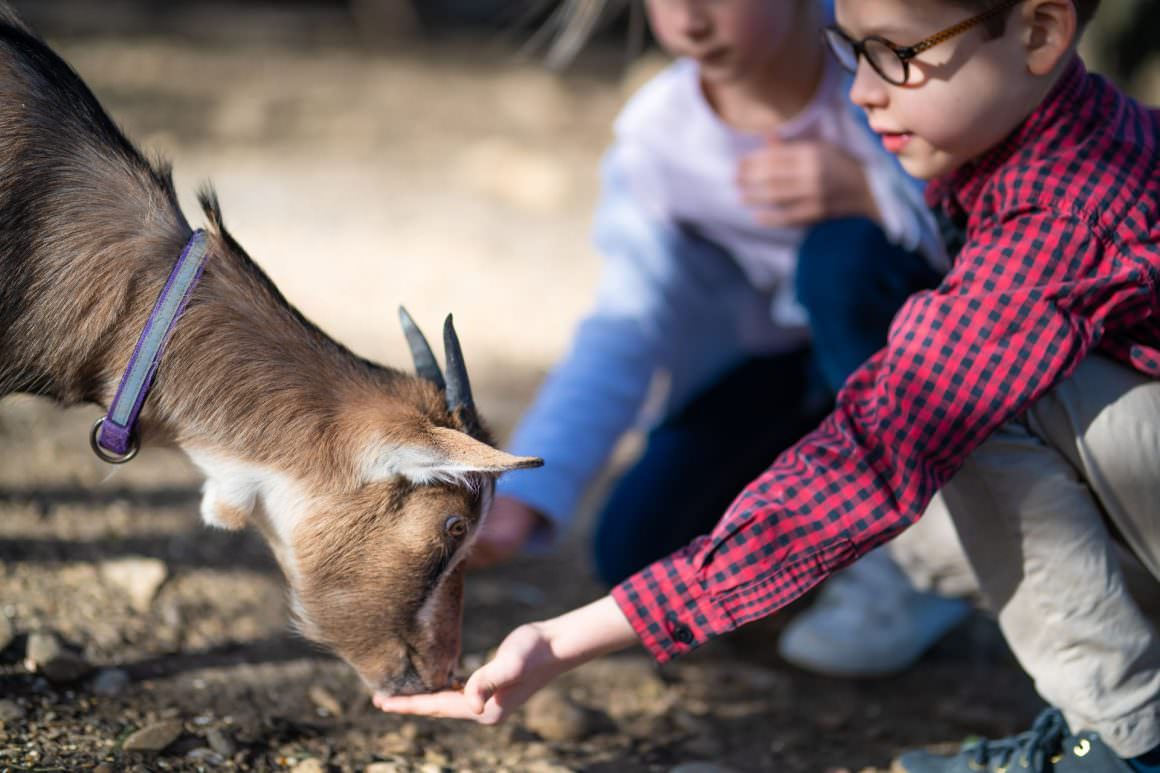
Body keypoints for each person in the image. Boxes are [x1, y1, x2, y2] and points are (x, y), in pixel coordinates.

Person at [380, 0, 1160, 769]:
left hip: (894, 368)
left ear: (1040, 31)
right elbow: (626, 322)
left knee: (968, 384)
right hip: (794, 389)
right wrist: (530, 494)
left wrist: (561, 639)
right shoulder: (678, 131)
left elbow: (904, 418)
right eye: (854, 50)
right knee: (639, 536)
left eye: (894, 53)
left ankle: (1127, 740)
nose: (864, 87)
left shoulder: (1046, 196)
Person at [469, 0, 971, 678]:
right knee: (635, 549)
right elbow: (627, 321)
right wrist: (531, 490)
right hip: (778, 381)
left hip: (920, 367)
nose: (689, 19)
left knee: (841, 260)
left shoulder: (886, 69)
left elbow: (994, 241)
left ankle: (928, 558)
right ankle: (827, 552)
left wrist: (871, 191)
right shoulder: (659, 136)